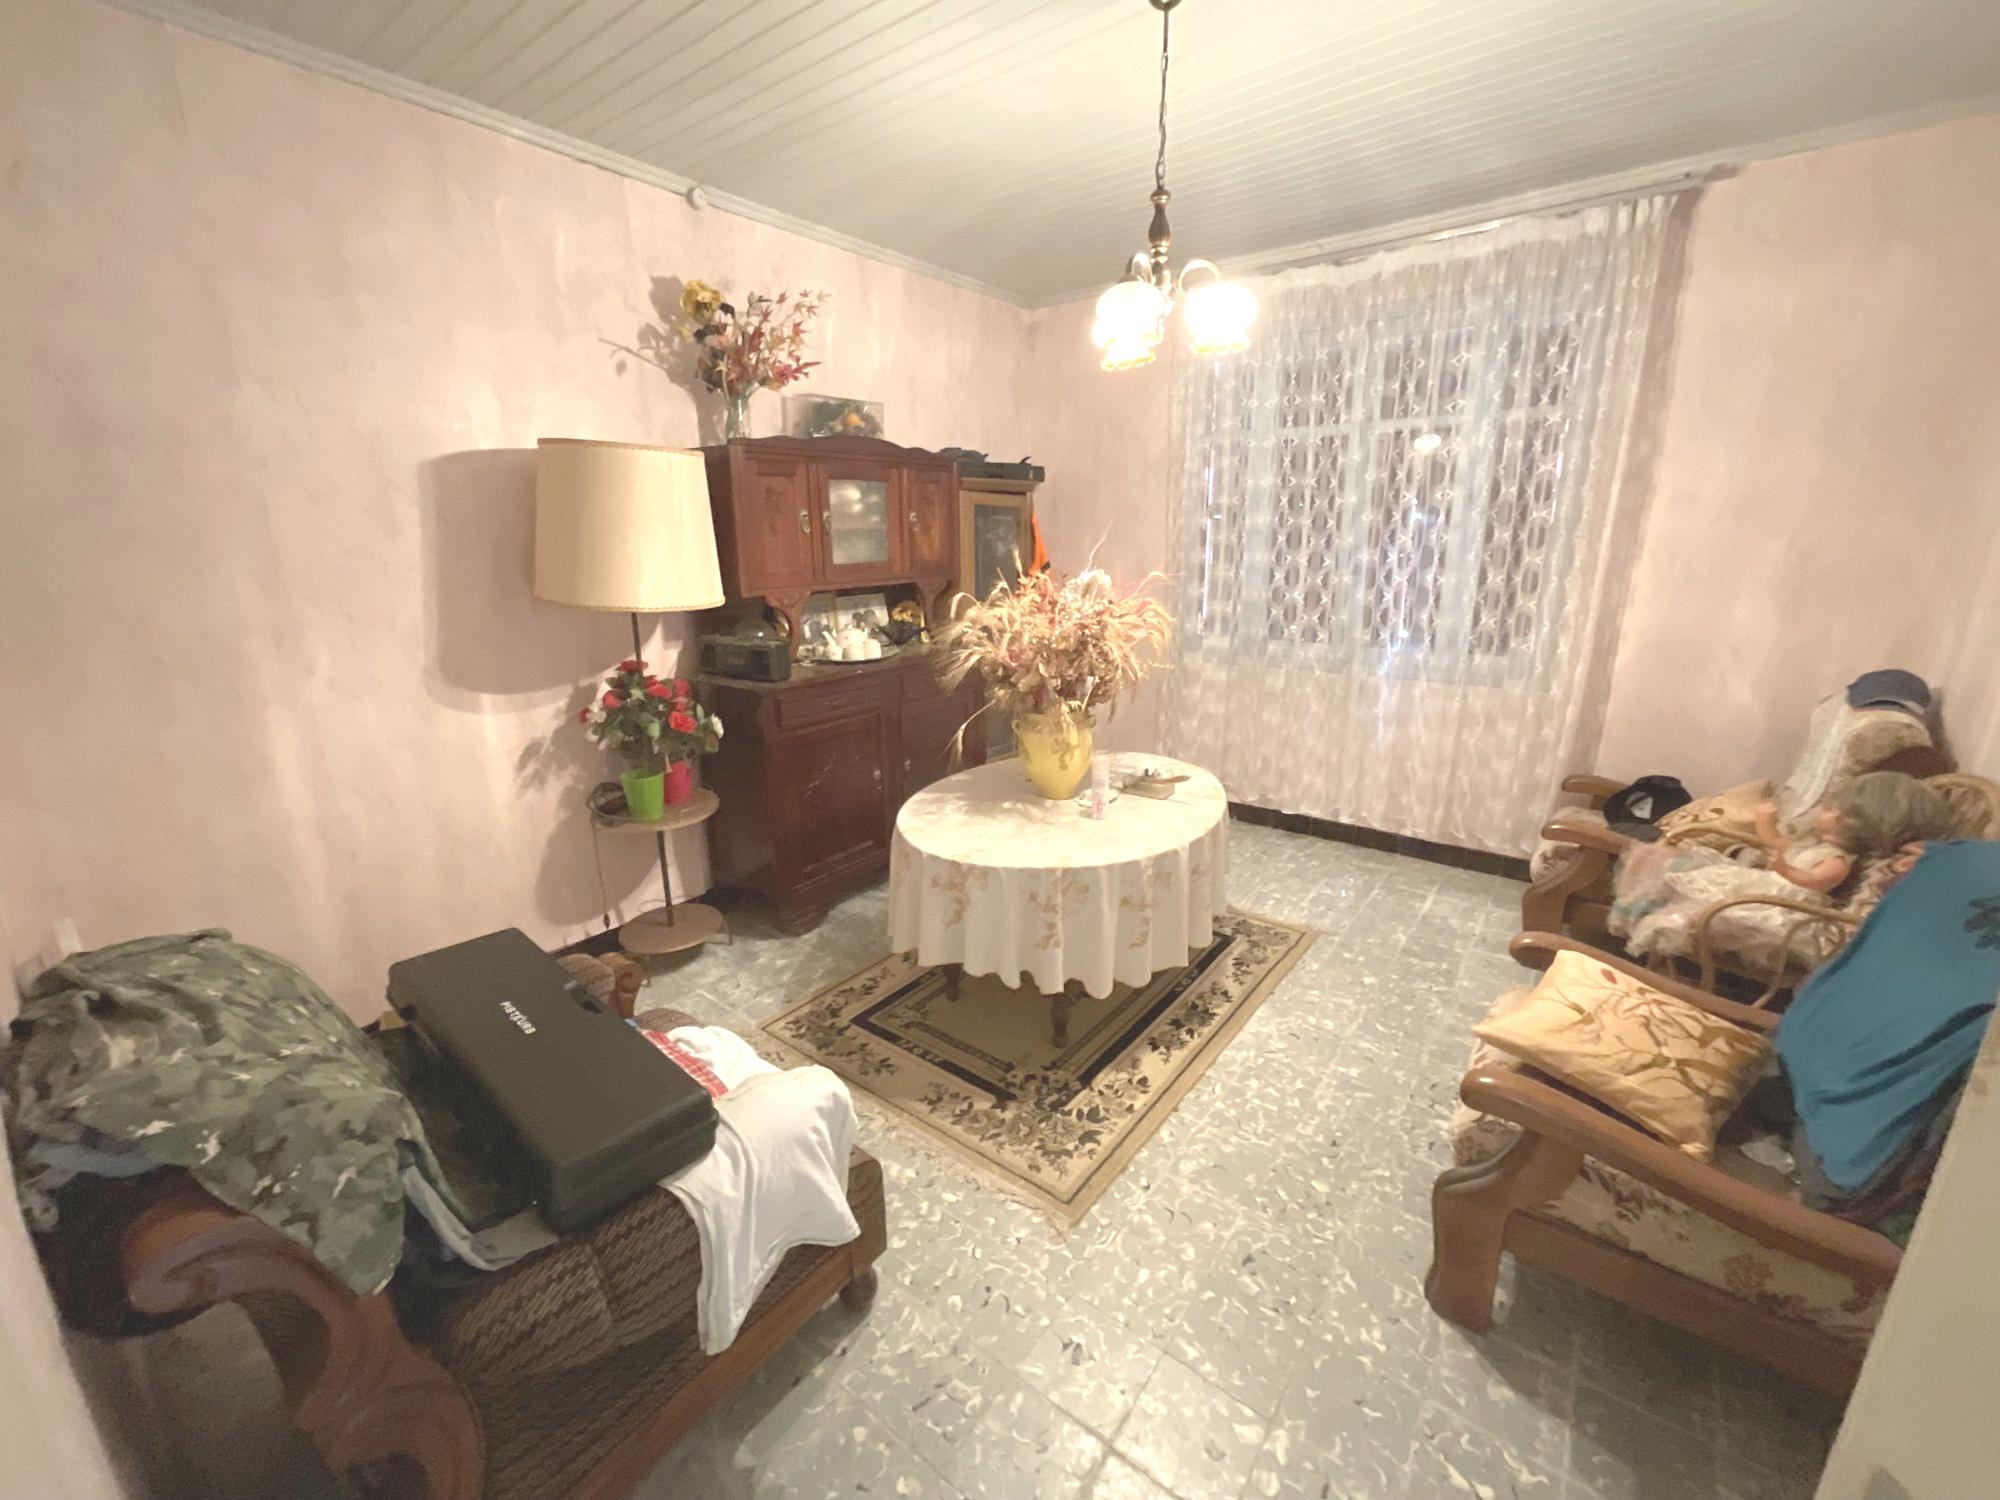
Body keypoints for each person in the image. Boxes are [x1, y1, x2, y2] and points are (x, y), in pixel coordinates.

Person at [1610, 772, 1961, 969]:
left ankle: (1654, 934)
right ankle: (1636, 914)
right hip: (1768, 887)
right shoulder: (1821, 845)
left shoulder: (1840, 860)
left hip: (1786, 904)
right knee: (1672, 865)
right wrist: (1765, 821)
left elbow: (1816, 882)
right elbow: (1776, 843)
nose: (1823, 814)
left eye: (1832, 810)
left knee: (1698, 898)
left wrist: (1785, 868)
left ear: (1860, 823)